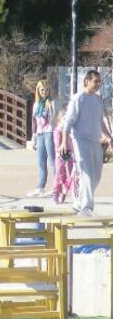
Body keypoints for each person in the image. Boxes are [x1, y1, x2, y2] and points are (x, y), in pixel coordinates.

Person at [59, 69, 112, 216]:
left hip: (95, 140)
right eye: (96, 81)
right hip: (80, 140)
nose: (98, 84)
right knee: (87, 174)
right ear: (87, 81)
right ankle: (86, 208)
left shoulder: (97, 99)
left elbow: (100, 121)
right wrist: (64, 142)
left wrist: (109, 137)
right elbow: (68, 122)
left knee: (96, 176)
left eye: (99, 82)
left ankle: (78, 203)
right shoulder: (78, 99)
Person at [28, 80, 56, 197]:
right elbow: (34, 121)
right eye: (42, 90)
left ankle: (56, 186)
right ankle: (40, 186)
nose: (44, 92)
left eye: (46, 90)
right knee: (41, 161)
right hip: (39, 134)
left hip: (49, 132)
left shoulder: (51, 103)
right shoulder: (36, 105)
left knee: (52, 161)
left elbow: (54, 119)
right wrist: (33, 136)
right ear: (38, 91)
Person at [52, 109, 77, 205]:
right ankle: (55, 194)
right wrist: (61, 153)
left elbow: (72, 143)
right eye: (64, 119)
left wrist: (72, 152)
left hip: (69, 156)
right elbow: (57, 144)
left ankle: (65, 191)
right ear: (59, 120)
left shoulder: (69, 132)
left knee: (71, 174)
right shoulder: (57, 131)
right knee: (59, 175)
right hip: (60, 156)